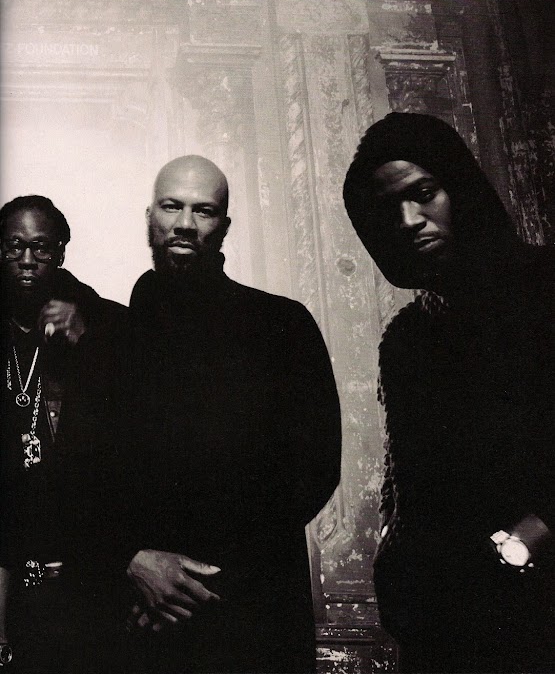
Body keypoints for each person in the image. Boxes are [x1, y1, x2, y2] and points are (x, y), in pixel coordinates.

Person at [343, 113, 554, 673]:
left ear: (458, 188)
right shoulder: (405, 337)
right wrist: (397, 568)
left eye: (423, 193)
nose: (409, 220)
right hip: (444, 626)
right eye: (389, 208)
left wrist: (527, 539)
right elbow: (412, 482)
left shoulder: (544, 286)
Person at [121, 155, 342, 674]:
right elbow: (90, 474)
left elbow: (314, 470)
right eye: (171, 206)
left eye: (203, 210)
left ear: (224, 225)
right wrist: (132, 560)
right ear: (149, 217)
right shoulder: (117, 333)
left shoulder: (282, 324)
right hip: (141, 619)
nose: (184, 223)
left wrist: (196, 580)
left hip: (254, 617)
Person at [0, 195, 127, 673]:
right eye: (14, 246)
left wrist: (86, 339)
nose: (27, 260)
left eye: (41, 248)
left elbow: (136, 432)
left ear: (60, 254)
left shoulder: (104, 323)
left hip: (83, 574)